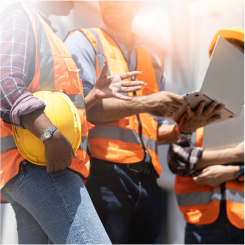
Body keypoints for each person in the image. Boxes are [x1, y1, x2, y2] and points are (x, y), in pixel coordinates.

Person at [64, 0, 224, 244]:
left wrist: (183, 129)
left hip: (147, 184)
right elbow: (83, 111)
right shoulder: (83, 41)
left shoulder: (153, 61)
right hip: (105, 176)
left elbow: (154, 129)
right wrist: (148, 103)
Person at [0, 0, 149, 244]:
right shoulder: (21, 16)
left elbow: (60, 107)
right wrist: (48, 133)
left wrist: (92, 97)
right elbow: (5, 80)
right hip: (40, 163)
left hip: (36, 164)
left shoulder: (45, 30)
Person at [168, 28, 245, 245]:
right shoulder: (195, 107)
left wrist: (232, 171)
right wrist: (236, 154)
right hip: (201, 224)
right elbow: (176, 158)